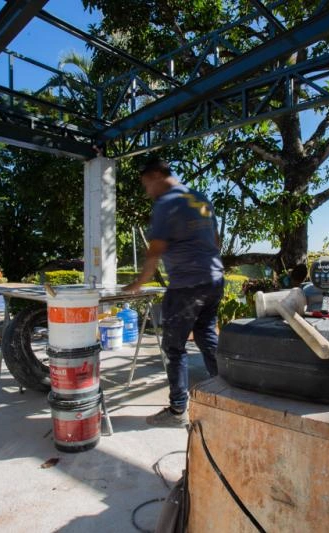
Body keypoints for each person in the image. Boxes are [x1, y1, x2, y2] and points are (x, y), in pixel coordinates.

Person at [124, 158, 224, 428]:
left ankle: (178, 410)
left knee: (174, 347)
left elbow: (155, 250)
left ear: (157, 175)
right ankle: (227, 397)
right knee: (206, 336)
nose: (148, 192)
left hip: (187, 285)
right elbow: (215, 240)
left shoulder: (166, 203)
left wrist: (139, 283)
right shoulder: (200, 198)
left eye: (147, 184)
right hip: (214, 280)